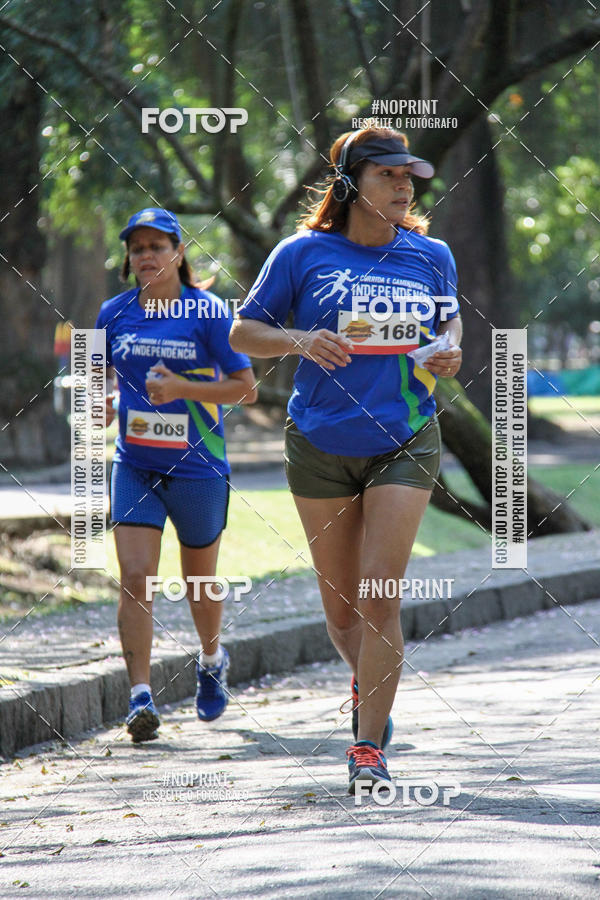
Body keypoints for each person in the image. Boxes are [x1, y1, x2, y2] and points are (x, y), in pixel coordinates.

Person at [230, 127, 462, 793]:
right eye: (389, 174)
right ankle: (371, 681)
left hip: (405, 435)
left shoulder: (431, 254)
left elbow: (448, 326)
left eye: (408, 176)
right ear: (350, 183)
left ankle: (367, 748)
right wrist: (300, 339)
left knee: (380, 593)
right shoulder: (302, 254)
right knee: (341, 614)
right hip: (320, 442)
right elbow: (243, 330)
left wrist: (449, 350)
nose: (404, 185)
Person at [96, 207, 256, 743]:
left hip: (198, 466)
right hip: (135, 463)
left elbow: (245, 387)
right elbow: (99, 378)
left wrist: (184, 389)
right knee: (136, 577)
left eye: (156, 247)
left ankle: (212, 659)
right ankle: (140, 695)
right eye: (137, 248)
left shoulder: (209, 312)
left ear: (178, 253)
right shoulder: (112, 312)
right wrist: (100, 401)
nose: (145, 256)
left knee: (198, 583)